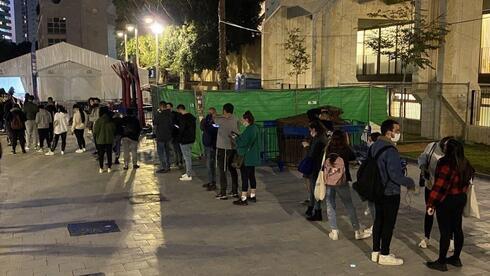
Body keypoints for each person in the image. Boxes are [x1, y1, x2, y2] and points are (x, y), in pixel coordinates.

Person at [370, 119, 415, 266]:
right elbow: (395, 175)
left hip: (377, 189)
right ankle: (385, 254)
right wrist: (410, 182)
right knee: (388, 224)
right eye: (397, 130)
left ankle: (375, 252)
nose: (398, 133)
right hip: (390, 192)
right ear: (389, 132)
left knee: (378, 221)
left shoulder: (375, 145)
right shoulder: (391, 150)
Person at [426, 139, 475, 272]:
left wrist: (431, 203)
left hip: (446, 200)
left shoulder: (445, 163)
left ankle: (441, 261)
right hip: (460, 198)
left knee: (445, 231)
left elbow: (440, 185)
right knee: (457, 228)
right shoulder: (465, 163)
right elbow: (471, 177)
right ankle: (456, 258)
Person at [325, 130, 371, 240]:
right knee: (349, 205)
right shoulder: (345, 149)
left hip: (329, 181)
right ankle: (357, 230)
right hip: (342, 180)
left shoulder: (328, 148)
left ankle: (334, 231)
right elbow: (353, 157)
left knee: (330, 204)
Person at [417, 136, 454, 250]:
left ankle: (450, 240)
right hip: (431, 186)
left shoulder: (453, 151)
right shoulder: (432, 146)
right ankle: (426, 237)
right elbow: (423, 158)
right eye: (443, 147)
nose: (444, 150)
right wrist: (423, 169)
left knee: (447, 216)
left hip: (446, 191)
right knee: (429, 211)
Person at [233, 111, 260, 206]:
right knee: (252, 176)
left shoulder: (249, 130)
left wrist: (235, 138)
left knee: (244, 177)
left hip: (246, 157)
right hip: (253, 157)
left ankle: (243, 198)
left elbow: (242, 143)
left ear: (247, 119)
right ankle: (252, 195)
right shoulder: (255, 128)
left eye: (242, 119)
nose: (241, 121)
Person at [215, 103, 240, 200]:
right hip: (233, 147)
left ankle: (223, 193)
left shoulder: (221, 120)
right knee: (232, 169)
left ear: (224, 111)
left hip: (223, 148)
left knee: (223, 170)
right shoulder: (235, 118)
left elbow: (214, 120)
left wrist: (215, 114)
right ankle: (234, 191)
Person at [304, 120, 328, 221]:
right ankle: (312, 208)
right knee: (315, 189)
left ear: (314, 129)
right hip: (319, 166)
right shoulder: (323, 138)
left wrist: (307, 146)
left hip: (316, 167)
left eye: (310, 130)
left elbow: (311, 154)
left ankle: (317, 211)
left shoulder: (318, 139)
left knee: (315, 189)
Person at [93, 106, 116, 173]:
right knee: (109, 154)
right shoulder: (110, 120)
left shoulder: (98, 121)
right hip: (109, 140)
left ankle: (101, 168)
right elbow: (113, 129)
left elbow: (95, 131)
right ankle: (109, 167)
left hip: (100, 140)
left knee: (101, 155)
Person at [176, 104, 196, 181]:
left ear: (179, 109)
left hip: (184, 140)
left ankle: (188, 175)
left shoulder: (183, 118)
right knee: (188, 157)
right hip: (191, 139)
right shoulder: (191, 117)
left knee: (187, 158)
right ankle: (188, 172)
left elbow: (181, 130)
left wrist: (179, 139)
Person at [153, 101, 174, 173]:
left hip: (161, 136)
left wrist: (158, 113)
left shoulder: (159, 114)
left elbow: (155, 122)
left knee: (161, 152)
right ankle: (168, 166)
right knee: (167, 151)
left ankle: (164, 167)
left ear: (161, 106)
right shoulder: (170, 114)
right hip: (168, 135)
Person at [201, 107, 218, 190]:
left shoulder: (216, 122)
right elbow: (203, 128)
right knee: (209, 165)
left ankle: (213, 182)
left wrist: (210, 123)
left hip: (212, 145)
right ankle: (210, 181)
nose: (210, 115)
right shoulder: (207, 120)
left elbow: (213, 130)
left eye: (212, 113)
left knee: (211, 165)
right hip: (207, 144)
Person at [167, 102, 184, 169]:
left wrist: (176, 127)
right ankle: (176, 162)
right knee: (174, 150)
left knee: (178, 149)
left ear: (171, 107)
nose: (167, 108)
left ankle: (180, 162)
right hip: (170, 135)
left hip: (176, 134)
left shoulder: (176, 114)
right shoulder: (166, 115)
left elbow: (178, 124)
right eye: (166, 106)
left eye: (168, 106)